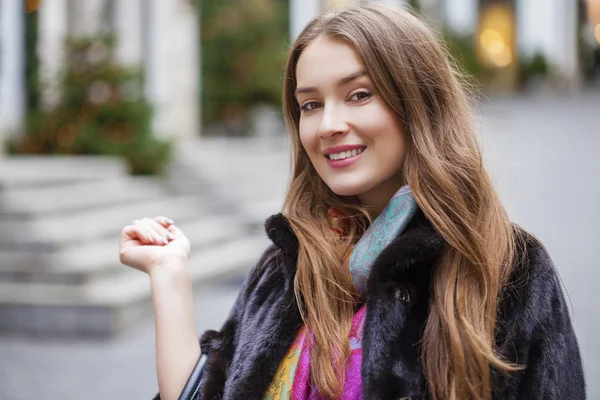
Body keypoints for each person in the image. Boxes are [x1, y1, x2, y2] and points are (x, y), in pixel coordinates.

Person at [119, 4, 586, 400]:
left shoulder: (507, 269)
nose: (328, 125)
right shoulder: (285, 268)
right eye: (310, 104)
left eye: (358, 95)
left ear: (418, 103)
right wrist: (169, 276)